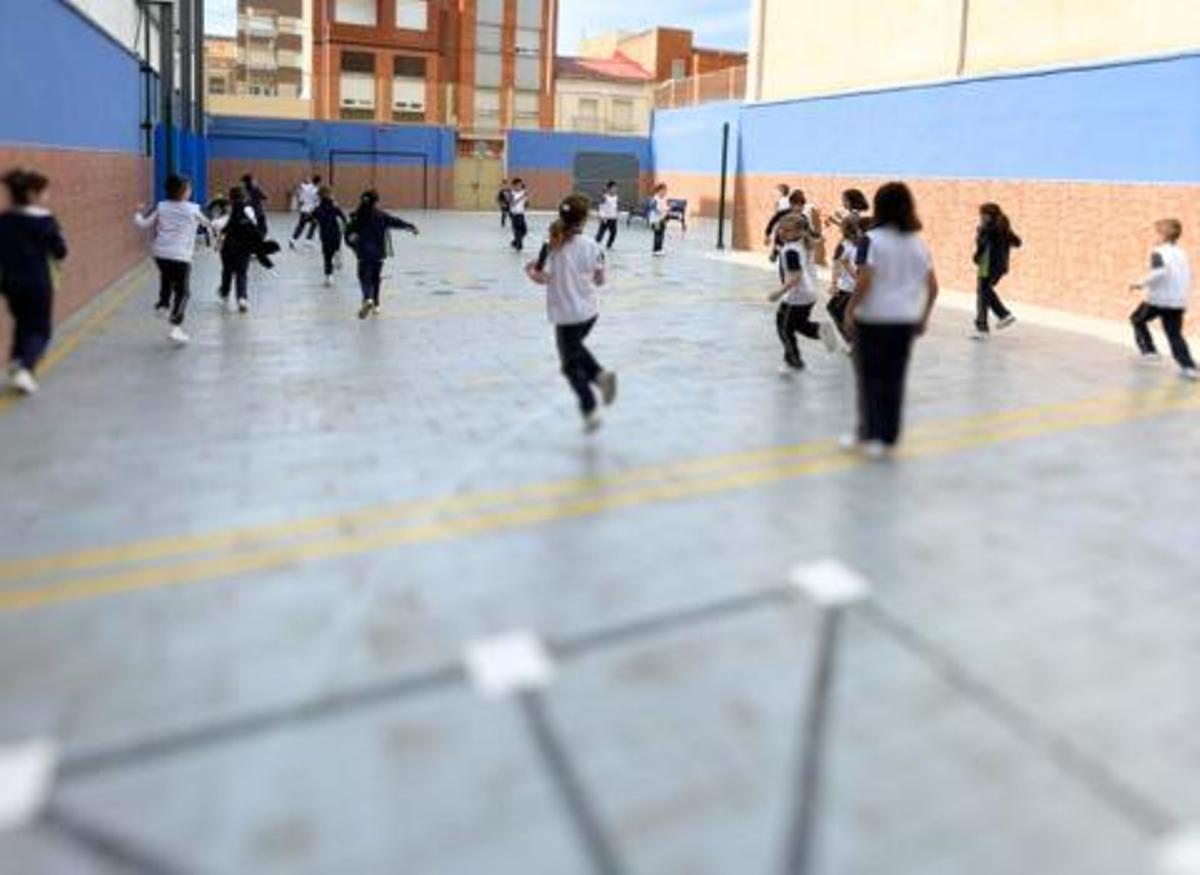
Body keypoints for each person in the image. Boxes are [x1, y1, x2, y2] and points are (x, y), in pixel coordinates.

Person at [843, 182, 939, 458]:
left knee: (870, 378)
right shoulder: (918, 244)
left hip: (873, 320)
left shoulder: (870, 239)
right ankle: (888, 437)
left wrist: (850, 310)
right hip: (904, 321)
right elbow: (933, 287)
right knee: (894, 379)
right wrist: (923, 317)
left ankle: (869, 434)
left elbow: (865, 279)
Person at [525, 194, 617, 433]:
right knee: (575, 349)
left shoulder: (551, 243)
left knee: (569, 364)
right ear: (585, 219)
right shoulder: (592, 246)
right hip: (588, 313)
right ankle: (600, 376)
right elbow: (600, 280)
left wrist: (531, 271)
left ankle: (590, 407)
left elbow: (540, 277)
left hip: (566, 315)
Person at [0, 169, 67, 395]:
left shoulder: (5, 220)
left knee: (22, 322)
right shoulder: (45, 221)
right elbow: (60, 252)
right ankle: (25, 368)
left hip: (10, 283)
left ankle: (16, 359)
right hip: (37, 282)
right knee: (41, 330)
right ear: (33, 193)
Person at [134, 174, 212, 345]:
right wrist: (223, 219)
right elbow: (210, 223)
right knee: (183, 292)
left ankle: (162, 304)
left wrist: (138, 211)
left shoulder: (161, 206)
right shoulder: (193, 208)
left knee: (167, 277)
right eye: (189, 188)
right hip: (181, 256)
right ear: (184, 192)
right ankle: (176, 327)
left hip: (160, 254)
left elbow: (142, 223)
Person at [767, 215, 841, 373]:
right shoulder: (804, 243)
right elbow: (820, 240)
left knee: (785, 328)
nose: (782, 232)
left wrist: (778, 293)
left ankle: (793, 359)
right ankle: (821, 330)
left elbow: (796, 276)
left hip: (797, 296)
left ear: (799, 232)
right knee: (796, 324)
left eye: (787, 230)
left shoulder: (792, 251)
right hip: (809, 293)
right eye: (781, 229)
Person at [1129, 218, 1196, 380]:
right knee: (1174, 334)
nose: (1154, 237)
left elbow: (1160, 272)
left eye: (1156, 234)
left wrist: (1140, 283)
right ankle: (1189, 367)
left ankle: (1149, 351)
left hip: (1158, 300)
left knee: (1137, 319)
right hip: (1177, 301)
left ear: (1162, 236)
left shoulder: (1158, 252)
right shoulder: (1182, 253)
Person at [344, 189, 419, 319]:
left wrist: (352, 244)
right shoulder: (381, 216)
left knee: (364, 278)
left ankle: (368, 298)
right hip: (378, 254)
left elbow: (347, 234)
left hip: (363, 254)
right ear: (376, 202)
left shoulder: (357, 216)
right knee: (376, 278)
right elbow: (396, 222)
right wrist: (410, 226)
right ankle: (376, 305)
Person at [972, 202, 1021, 338]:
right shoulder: (1003, 228)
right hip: (999, 267)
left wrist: (976, 255)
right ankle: (984, 327)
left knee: (984, 292)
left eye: (982, 214)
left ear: (988, 215)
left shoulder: (988, 228)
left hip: (988, 265)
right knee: (984, 293)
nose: (980, 217)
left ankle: (1003, 315)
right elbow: (1018, 242)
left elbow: (982, 246)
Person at [212, 185, 264, 313]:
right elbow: (255, 224)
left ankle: (224, 292)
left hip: (228, 246)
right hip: (244, 247)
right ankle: (242, 298)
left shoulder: (228, 211)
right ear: (245, 197)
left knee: (227, 271)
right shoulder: (249, 210)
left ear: (230, 198)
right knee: (242, 273)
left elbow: (218, 226)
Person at [827, 213, 863, 346]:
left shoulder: (844, 245)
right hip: (858, 286)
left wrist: (834, 284)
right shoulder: (864, 244)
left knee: (834, 309)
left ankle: (852, 341)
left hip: (848, 287)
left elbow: (837, 264)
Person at [312, 185, 349, 287]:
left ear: (319, 197)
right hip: (336, 234)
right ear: (330, 195)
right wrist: (346, 227)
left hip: (325, 235)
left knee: (327, 257)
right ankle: (337, 255)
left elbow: (311, 219)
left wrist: (314, 219)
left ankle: (329, 277)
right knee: (336, 248)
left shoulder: (317, 209)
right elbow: (343, 218)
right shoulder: (335, 207)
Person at [289, 174, 321, 248]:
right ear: (318, 182)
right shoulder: (316, 190)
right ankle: (308, 240)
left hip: (303, 209)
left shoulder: (305, 186)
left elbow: (299, 187)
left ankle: (293, 239)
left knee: (302, 225)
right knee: (313, 223)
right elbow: (317, 201)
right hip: (311, 210)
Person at [595, 181, 619, 251]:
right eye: (614, 188)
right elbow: (601, 207)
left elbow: (615, 207)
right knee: (601, 233)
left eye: (616, 188)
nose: (615, 189)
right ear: (609, 188)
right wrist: (601, 216)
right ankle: (595, 245)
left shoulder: (616, 197)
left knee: (614, 233)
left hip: (613, 218)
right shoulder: (604, 197)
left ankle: (609, 245)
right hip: (605, 218)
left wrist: (616, 214)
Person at [650, 183, 670, 257]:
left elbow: (666, 208)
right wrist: (658, 211)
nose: (664, 192)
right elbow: (652, 207)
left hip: (662, 220)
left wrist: (667, 214)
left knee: (661, 234)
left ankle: (660, 249)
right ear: (659, 191)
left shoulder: (665, 199)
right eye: (663, 190)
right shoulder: (655, 199)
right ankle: (655, 250)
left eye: (665, 191)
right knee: (657, 234)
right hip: (655, 221)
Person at [509, 178, 529, 251]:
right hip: (515, 215)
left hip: (521, 214)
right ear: (514, 186)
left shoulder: (523, 192)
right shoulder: (512, 194)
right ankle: (519, 245)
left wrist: (527, 202)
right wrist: (522, 197)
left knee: (524, 231)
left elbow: (526, 204)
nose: (520, 186)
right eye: (518, 185)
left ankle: (515, 242)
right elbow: (512, 204)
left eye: (521, 185)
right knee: (518, 230)